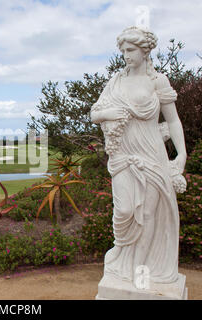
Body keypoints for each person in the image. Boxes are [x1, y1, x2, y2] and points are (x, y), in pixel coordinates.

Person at [90, 26, 187, 286]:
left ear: (145, 52)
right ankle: (122, 260)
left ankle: (140, 273)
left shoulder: (158, 81)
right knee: (124, 211)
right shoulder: (116, 82)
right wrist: (110, 114)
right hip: (122, 156)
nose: (126, 56)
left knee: (146, 216)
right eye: (123, 51)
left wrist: (181, 153)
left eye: (130, 50)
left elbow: (174, 121)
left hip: (152, 156)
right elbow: (95, 113)